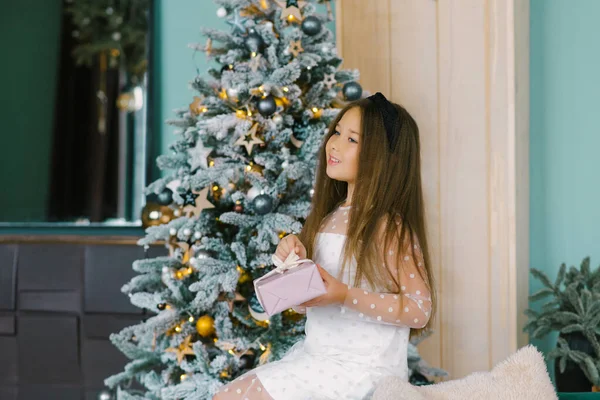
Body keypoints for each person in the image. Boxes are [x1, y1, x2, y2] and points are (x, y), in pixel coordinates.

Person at [213, 92, 436, 400]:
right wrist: (296, 263)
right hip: (316, 359)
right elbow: (306, 303)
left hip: (362, 372)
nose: (334, 143)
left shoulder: (389, 227)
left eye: (352, 140)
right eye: (337, 132)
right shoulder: (327, 219)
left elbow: (419, 310)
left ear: (384, 156)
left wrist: (345, 295)